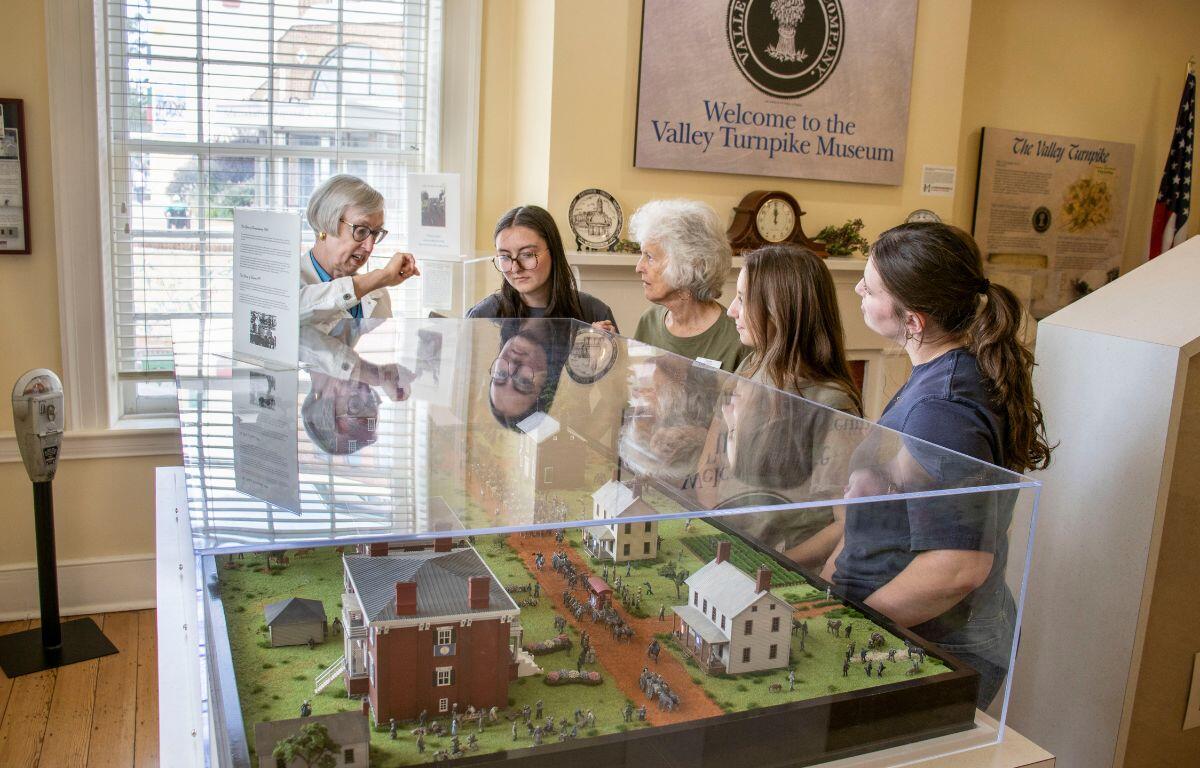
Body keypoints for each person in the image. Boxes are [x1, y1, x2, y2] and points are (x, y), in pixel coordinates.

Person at [826, 222, 1053, 707]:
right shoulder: (941, 375)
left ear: (914, 321)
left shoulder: (942, 408)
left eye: (872, 287)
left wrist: (846, 627)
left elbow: (958, 567)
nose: (859, 289)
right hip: (914, 624)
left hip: (936, 642)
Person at [727, 244, 862, 415]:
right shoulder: (754, 363)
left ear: (780, 311)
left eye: (742, 299)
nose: (731, 311)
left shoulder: (832, 405)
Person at [629, 199, 749, 371]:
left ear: (688, 266)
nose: (639, 267)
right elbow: (635, 393)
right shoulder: (649, 322)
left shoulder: (737, 337)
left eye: (649, 257)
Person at [301, 174, 419, 331]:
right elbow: (299, 309)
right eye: (361, 230)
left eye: (375, 233)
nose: (369, 247)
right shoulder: (284, 287)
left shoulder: (378, 294)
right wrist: (381, 276)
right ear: (324, 223)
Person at [468, 205, 617, 329]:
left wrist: (602, 350)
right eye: (505, 256)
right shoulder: (481, 316)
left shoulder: (595, 312)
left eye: (527, 254)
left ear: (553, 251)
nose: (515, 268)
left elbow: (615, 364)